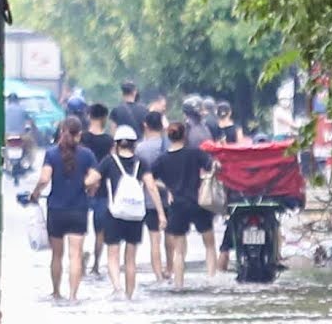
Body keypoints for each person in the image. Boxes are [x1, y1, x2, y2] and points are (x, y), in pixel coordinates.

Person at [41, 114, 100, 300]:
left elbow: (44, 179)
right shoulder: (87, 155)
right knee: (76, 255)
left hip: (56, 210)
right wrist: (85, 186)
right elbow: (96, 177)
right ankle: (73, 296)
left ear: (61, 132)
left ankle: (56, 292)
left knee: (56, 256)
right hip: (78, 209)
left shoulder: (51, 154)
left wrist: (35, 194)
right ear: (79, 134)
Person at [152, 123, 211, 287]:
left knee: (178, 250)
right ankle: (212, 279)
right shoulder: (195, 153)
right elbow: (211, 167)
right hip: (198, 203)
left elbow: (150, 178)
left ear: (169, 137)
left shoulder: (162, 159)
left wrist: (168, 188)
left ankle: (179, 284)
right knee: (210, 244)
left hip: (177, 205)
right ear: (185, 135)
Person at [96, 129, 153, 297]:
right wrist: (161, 213)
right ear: (134, 144)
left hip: (114, 214)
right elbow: (151, 186)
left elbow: (93, 179)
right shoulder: (141, 163)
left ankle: (117, 288)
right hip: (135, 215)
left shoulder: (108, 161)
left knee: (113, 254)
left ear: (116, 144)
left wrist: (83, 185)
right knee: (131, 259)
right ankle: (129, 295)